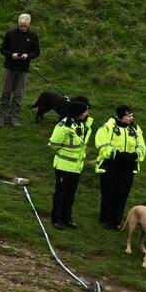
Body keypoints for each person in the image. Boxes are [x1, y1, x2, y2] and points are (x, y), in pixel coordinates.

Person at [93, 105, 146, 229]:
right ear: (120, 116)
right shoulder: (108, 127)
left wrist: (135, 155)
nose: (131, 118)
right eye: (128, 116)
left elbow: (142, 146)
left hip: (128, 167)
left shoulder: (136, 129)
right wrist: (117, 154)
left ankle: (117, 221)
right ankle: (105, 219)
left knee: (122, 194)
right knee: (108, 193)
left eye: (132, 115)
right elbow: (101, 145)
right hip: (111, 165)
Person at [47, 95, 92, 229]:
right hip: (63, 166)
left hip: (76, 167)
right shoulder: (63, 126)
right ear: (78, 113)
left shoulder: (82, 125)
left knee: (70, 194)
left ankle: (67, 218)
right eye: (85, 111)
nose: (87, 114)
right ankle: (56, 219)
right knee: (60, 194)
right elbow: (53, 144)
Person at [0, 13, 40, 127]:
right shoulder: (10, 34)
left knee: (18, 94)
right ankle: (2, 117)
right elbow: (2, 49)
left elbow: (36, 52)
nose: (23, 27)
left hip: (23, 69)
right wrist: (12, 55)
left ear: (29, 24)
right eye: (21, 25)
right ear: (18, 23)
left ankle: (14, 117)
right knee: (5, 92)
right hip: (9, 68)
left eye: (25, 26)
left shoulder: (33, 36)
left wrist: (27, 56)